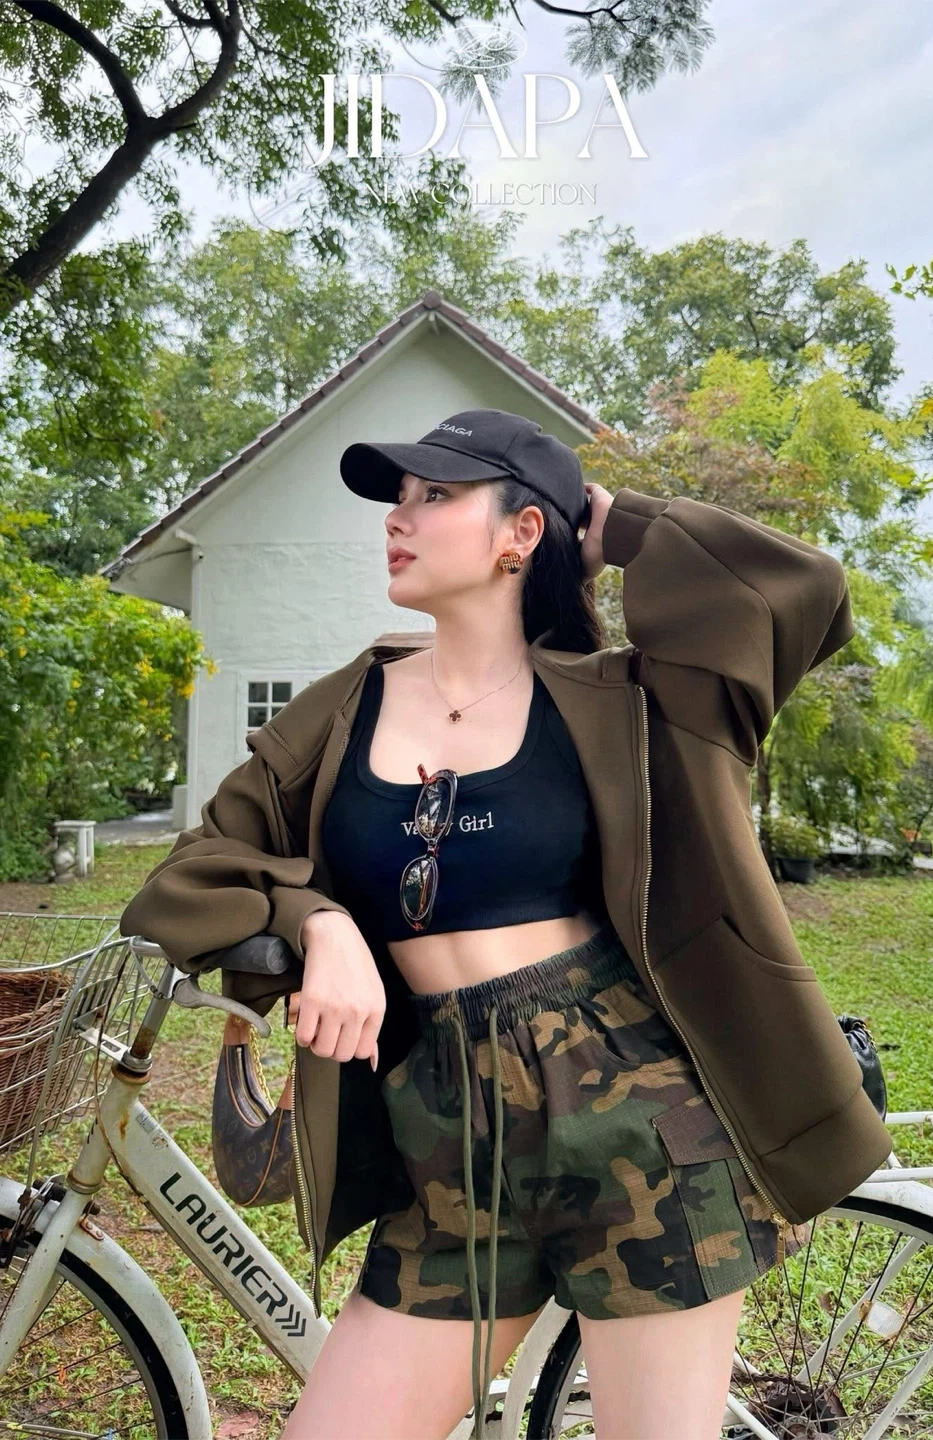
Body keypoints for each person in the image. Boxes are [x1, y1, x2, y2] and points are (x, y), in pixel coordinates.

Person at [119, 408, 892, 1440]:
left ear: (521, 533)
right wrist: (318, 923)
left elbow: (801, 587)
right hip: (439, 1135)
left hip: (636, 1124)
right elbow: (192, 871)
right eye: (398, 497)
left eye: (437, 495)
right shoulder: (349, 704)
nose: (399, 518)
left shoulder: (631, 701)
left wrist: (616, 523)